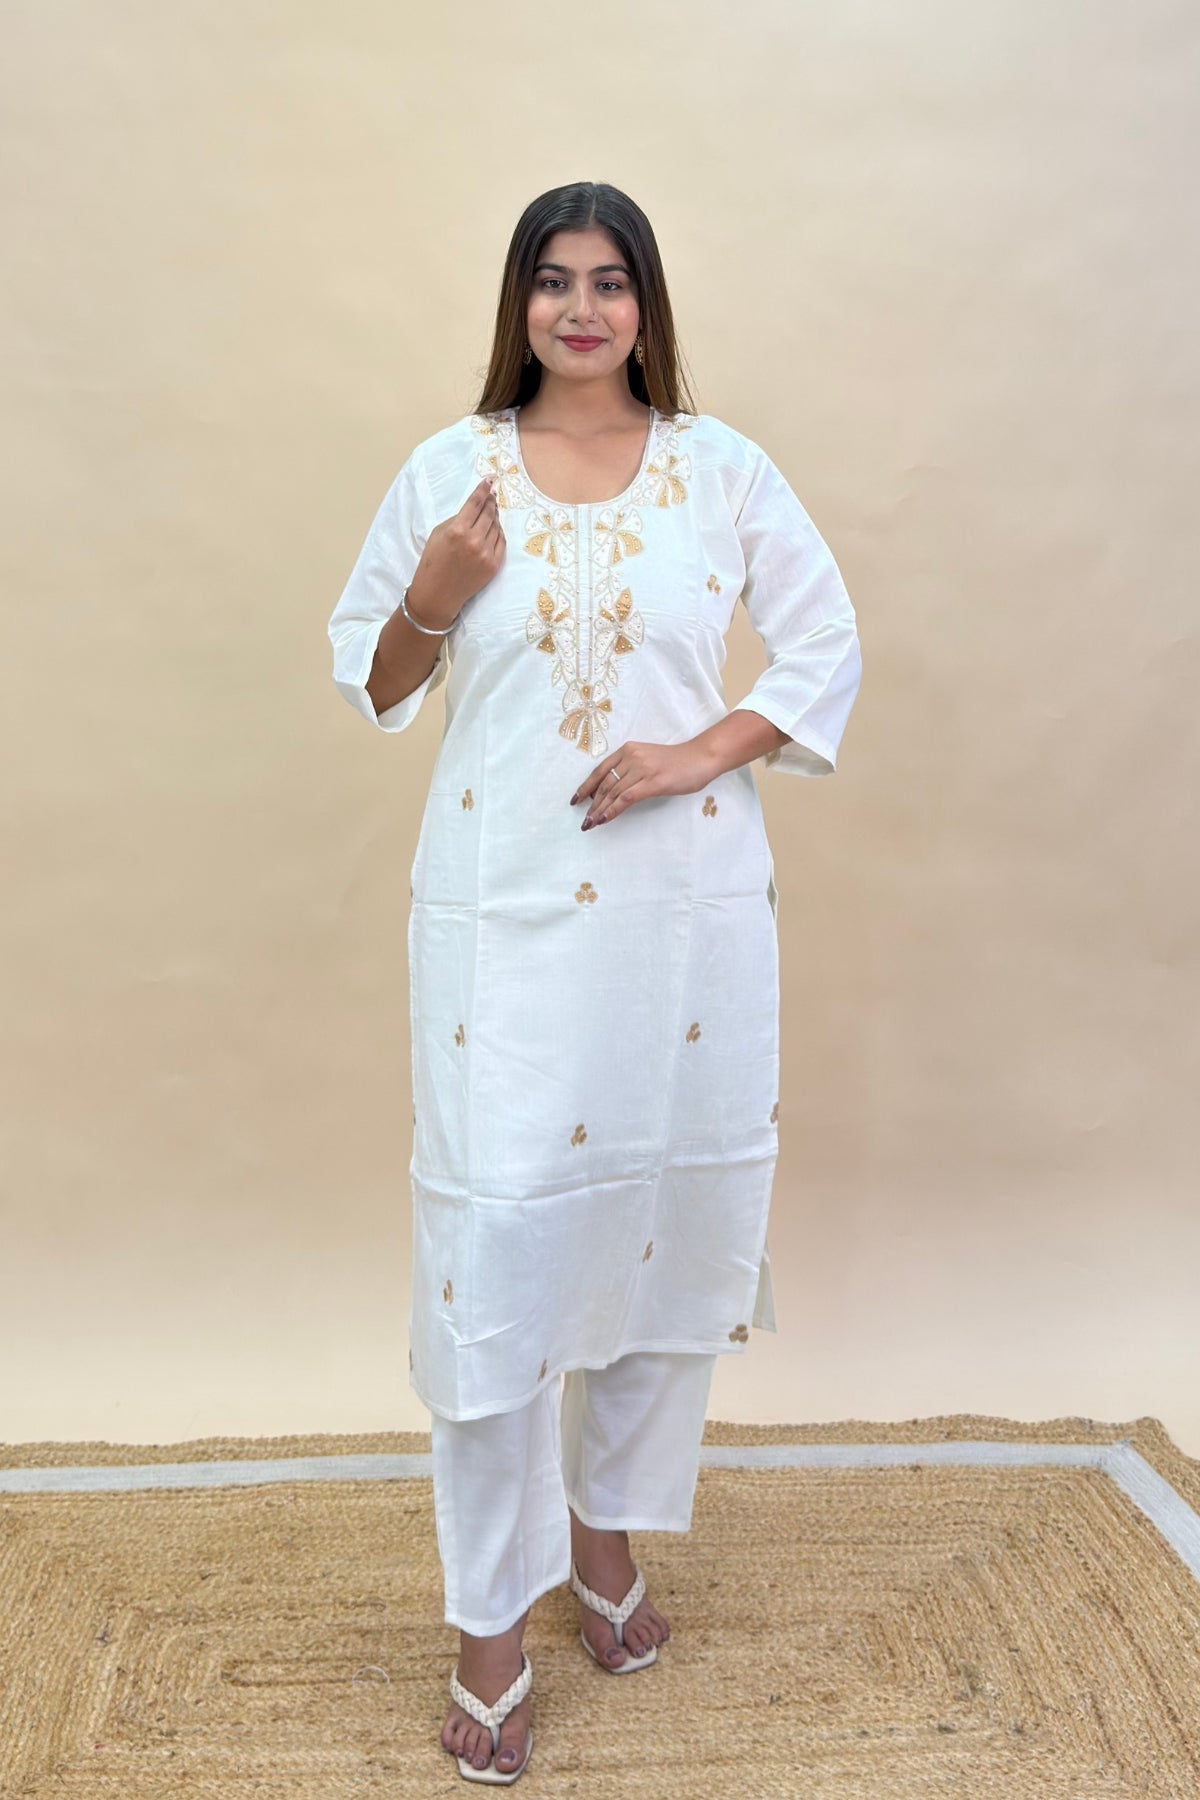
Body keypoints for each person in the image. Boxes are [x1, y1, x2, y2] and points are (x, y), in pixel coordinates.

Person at [326, 180, 862, 1784]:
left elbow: (825, 645)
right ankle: (491, 1622)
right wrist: (431, 601)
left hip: (682, 925)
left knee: (662, 1230)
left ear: (645, 306)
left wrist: (700, 750)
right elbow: (374, 677)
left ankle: (607, 1536)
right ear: (521, 301)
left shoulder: (721, 469)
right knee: (496, 1259)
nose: (579, 309)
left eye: (609, 281)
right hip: (501, 933)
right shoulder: (453, 470)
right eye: (552, 280)